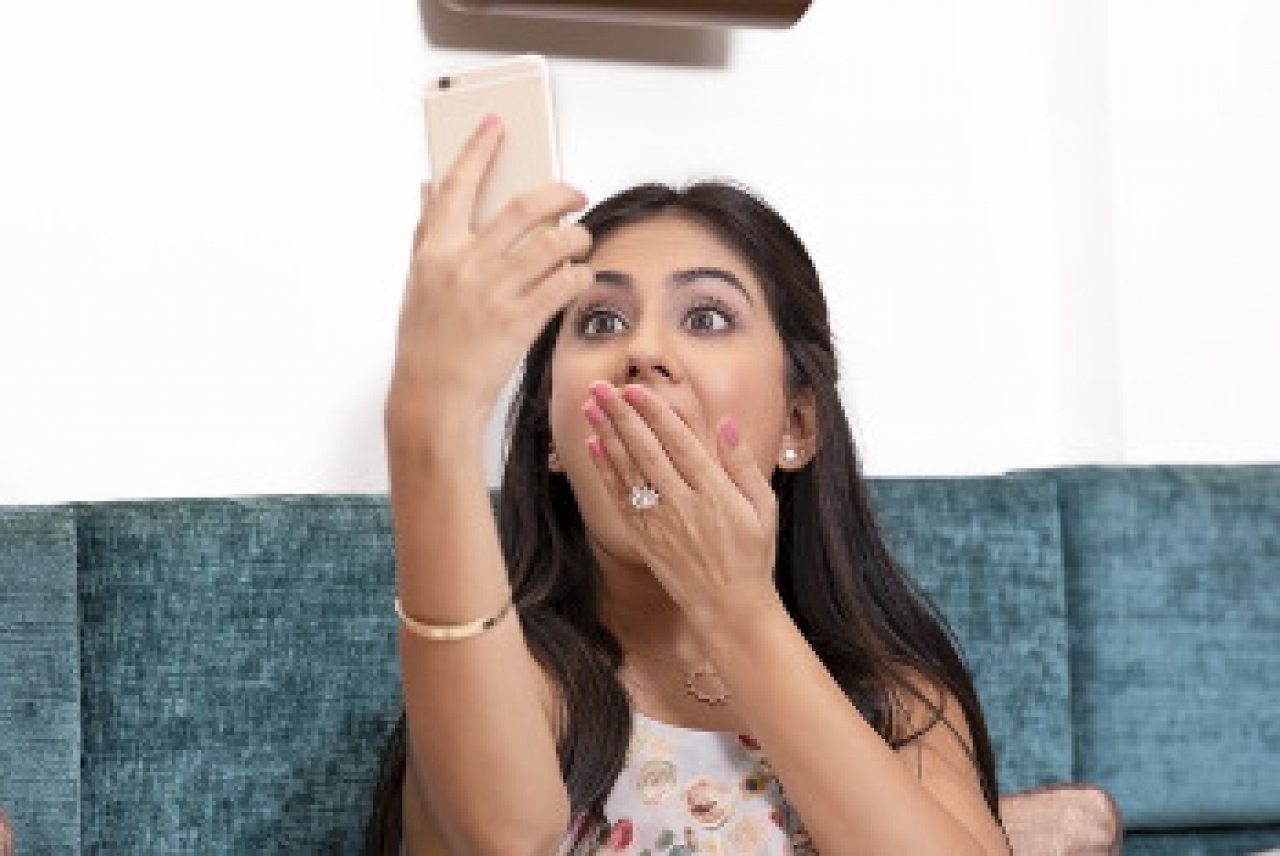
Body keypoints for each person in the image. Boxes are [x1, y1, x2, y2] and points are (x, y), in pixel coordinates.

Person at [367, 115, 1010, 855]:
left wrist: (736, 611)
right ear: (550, 435)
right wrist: (431, 416)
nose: (643, 350)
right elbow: (499, 838)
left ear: (799, 422)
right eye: (600, 322)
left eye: (706, 317)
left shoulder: (894, 704)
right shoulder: (520, 683)